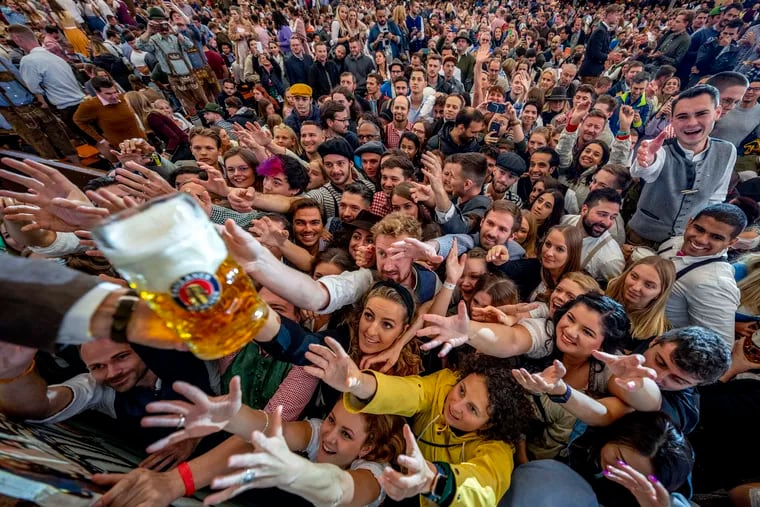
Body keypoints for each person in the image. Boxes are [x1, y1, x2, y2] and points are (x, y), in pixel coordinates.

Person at [628, 85, 735, 247]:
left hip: (684, 242)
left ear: (717, 113)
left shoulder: (727, 150)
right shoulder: (661, 147)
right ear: (672, 120)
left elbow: (716, 198)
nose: (692, 123)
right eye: (683, 116)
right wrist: (646, 161)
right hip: (643, 238)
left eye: (701, 114)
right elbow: (644, 170)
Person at [658, 203, 746, 342]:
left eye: (716, 237)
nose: (701, 240)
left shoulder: (715, 284)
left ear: (731, 242)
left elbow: (718, 346)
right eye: (699, 229)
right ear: (689, 223)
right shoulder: (676, 241)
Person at [560, 188, 625, 283]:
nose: (607, 223)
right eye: (602, 214)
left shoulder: (611, 259)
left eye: (612, 217)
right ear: (584, 210)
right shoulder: (565, 221)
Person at [606, 256, 676, 340]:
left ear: (660, 293)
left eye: (648, 285)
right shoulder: (602, 296)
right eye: (634, 277)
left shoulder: (657, 336)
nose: (636, 287)